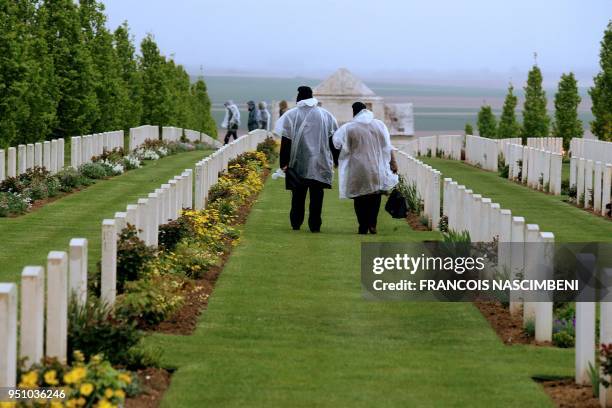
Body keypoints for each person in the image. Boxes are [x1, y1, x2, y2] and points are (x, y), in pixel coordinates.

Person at [274, 86, 339, 232]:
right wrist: (336, 159)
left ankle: (296, 223)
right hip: (320, 162)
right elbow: (332, 140)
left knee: (298, 195)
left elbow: (286, 140)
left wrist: (284, 162)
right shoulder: (325, 115)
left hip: (299, 161)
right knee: (317, 195)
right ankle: (315, 225)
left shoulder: (291, 115)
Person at [332, 102, 398, 234]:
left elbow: (338, 144)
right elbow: (387, 146)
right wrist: (393, 162)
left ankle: (362, 225)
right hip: (376, 167)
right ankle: (372, 223)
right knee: (375, 195)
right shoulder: (379, 125)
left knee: (359, 197)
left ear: (354, 113)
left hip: (358, 167)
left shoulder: (349, 128)